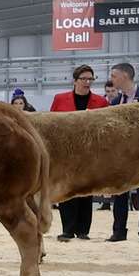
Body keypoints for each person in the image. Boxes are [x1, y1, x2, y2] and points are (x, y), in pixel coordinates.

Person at [49, 64, 108, 241]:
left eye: (90, 79)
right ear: (75, 81)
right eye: (83, 79)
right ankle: (67, 229)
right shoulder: (60, 99)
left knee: (85, 191)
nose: (87, 82)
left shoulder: (101, 102)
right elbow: (52, 124)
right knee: (65, 191)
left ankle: (83, 230)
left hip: (90, 153)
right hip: (65, 153)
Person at [103, 62, 139, 245]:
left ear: (125, 76)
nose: (112, 80)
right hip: (122, 155)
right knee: (119, 192)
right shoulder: (114, 101)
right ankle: (119, 230)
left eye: (114, 76)